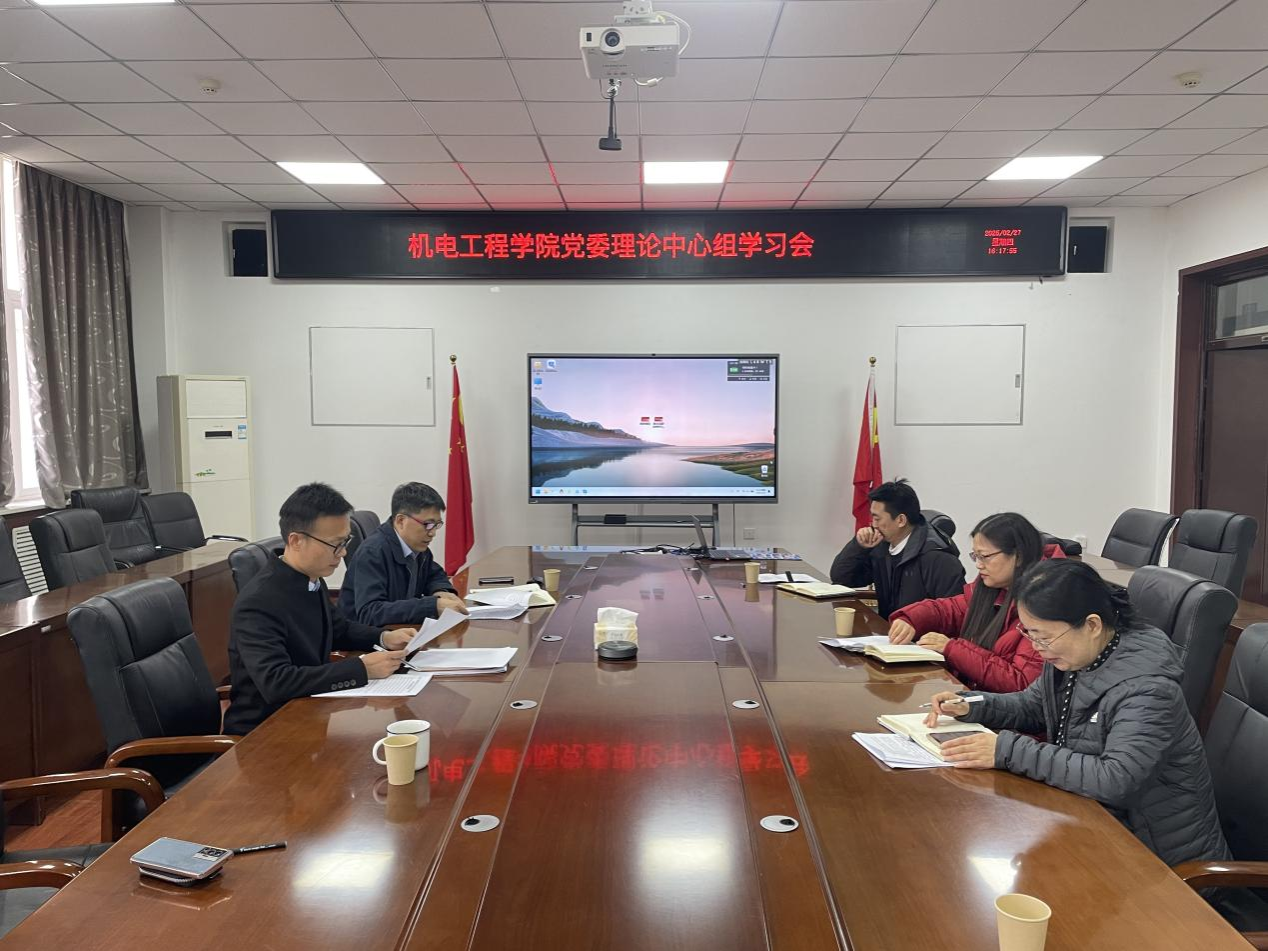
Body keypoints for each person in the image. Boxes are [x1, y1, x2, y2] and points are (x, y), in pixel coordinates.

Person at [926, 559, 1230, 868]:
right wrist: (974, 705)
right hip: (1092, 824)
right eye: (1030, 634)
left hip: (1158, 860)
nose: (1037, 648)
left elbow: (1115, 779)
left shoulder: (1148, 689)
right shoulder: (1075, 655)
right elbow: (1033, 705)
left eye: (1044, 637)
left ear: (1092, 625)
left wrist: (1008, 750)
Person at [224, 483, 414, 735]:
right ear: (296, 541)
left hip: (308, 715)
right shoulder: (258, 602)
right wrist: (361, 669)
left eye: (345, 541)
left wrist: (384, 637)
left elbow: (338, 629)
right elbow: (276, 681)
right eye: (335, 544)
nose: (343, 553)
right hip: (264, 732)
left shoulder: (311, 579)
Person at [888, 512, 1059, 693]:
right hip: (976, 696)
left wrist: (952, 648)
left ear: (1019, 556)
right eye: (975, 556)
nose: (978, 565)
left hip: (1001, 705)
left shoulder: (1046, 604)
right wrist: (911, 619)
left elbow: (1021, 683)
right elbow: (950, 609)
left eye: (985, 556)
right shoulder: (991, 588)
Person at [829, 479, 964, 619]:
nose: (873, 525)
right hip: (887, 629)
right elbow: (841, 578)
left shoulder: (938, 558)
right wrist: (859, 546)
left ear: (901, 520)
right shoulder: (882, 546)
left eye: (877, 519)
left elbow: (954, 614)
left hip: (917, 632)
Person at [339, 482, 468, 626]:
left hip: (400, 630)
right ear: (401, 521)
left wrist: (441, 591)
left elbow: (433, 574)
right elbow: (370, 613)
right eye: (428, 524)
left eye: (437, 525)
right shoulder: (372, 553)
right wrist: (431, 606)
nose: (432, 533)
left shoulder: (417, 545)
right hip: (367, 637)